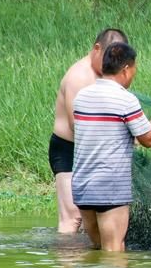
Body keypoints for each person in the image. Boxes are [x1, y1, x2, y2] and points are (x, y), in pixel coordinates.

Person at [72, 42, 151, 251]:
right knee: (114, 251)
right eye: (134, 69)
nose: (133, 75)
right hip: (109, 187)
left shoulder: (81, 97)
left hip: (82, 186)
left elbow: (100, 133)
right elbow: (149, 138)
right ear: (125, 69)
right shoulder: (126, 100)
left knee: (97, 249)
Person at [49, 28, 128, 234]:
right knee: (73, 217)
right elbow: (79, 125)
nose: (111, 63)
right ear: (96, 49)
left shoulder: (110, 76)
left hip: (97, 151)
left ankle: (90, 264)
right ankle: (66, 264)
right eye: (108, 56)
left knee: (92, 219)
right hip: (69, 149)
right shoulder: (79, 76)